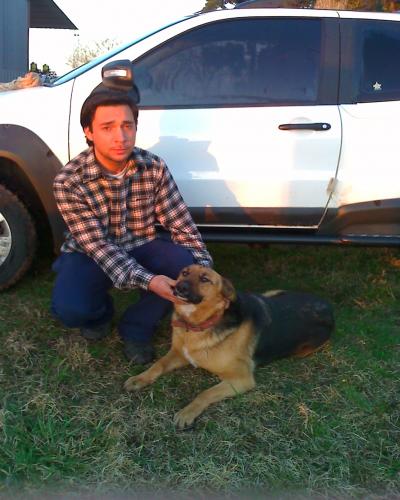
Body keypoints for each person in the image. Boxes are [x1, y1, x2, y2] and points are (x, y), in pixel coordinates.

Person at [51, 86, 212, 364]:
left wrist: (204, 273)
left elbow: (182, 226)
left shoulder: (153, 167)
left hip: (141, 242)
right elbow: (98, 247)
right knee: (71, 309)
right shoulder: (68, 181)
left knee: (183, 264)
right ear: (89, 132)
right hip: (89, 252)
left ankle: (137, 327)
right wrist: (150, 281)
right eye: (107, 127)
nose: (121, 137)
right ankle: (100, 314)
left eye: (128, 125)